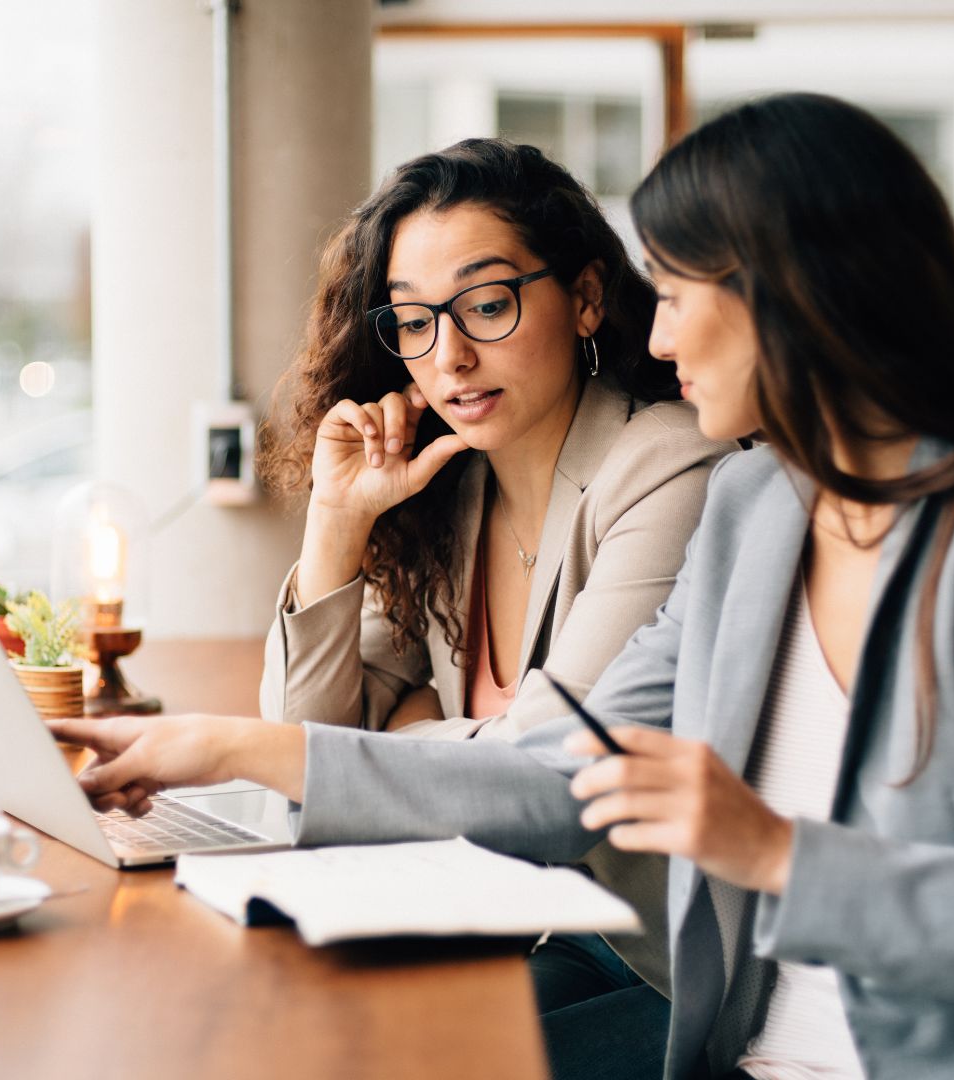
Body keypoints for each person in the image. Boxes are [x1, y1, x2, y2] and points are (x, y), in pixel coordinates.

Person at [51, 92, 954, 1079]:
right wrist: (227, 743)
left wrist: (776, 854)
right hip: (728, 1042)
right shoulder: (756, 509)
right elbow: (561, 774)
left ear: (792, 292)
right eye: (416, 321)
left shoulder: (946, 534)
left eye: (674, 294)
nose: (659, 340)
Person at [252, 135, 734, 1060]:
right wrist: (336, 521)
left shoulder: (669, 467)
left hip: (672, 964)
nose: (451, 356)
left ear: (585, 297)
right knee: (309, 1040)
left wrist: (407, 734)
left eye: (486, 304)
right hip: (534, 926)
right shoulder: (448, 485)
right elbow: (309, 739)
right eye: (415, 321)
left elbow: (543, 776)